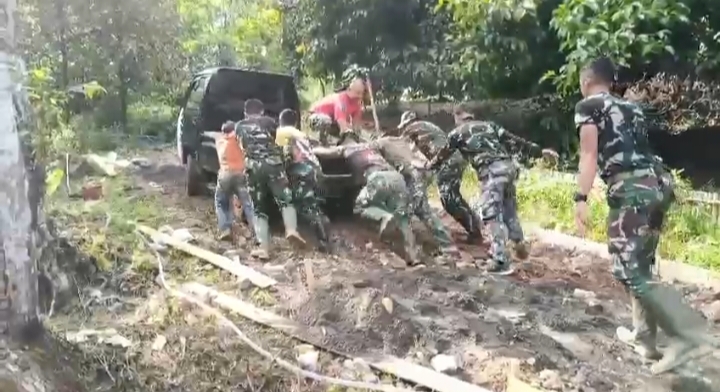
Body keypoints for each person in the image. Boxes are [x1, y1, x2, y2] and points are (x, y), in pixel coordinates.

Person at [574, 57, 714, 375]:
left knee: (627, 269)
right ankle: (645, 340)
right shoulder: (631, 107)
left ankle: (688, 336)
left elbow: (589, 153)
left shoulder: (588, 106)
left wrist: (580, 197)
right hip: (659, 185)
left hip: (633, 190)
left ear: (586, 81)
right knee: (641, 264)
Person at [427, 103, 530, 275]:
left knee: (490, 213)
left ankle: (500, 260)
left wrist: (427, 165)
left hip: (491, 171)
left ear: (458, 116)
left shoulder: (457, 133)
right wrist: (539, 151)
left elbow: (441, 157)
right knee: (508, 208)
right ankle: (518, 242)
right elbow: (515, 141)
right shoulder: (490, 125)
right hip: (508, 167)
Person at [312, 131, 419, 265]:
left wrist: (309, 147)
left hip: (377, 178)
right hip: (397, 178)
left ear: (343, 141)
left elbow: (323, 152)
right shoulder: (371, 145)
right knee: (403, 219)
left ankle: (385, 217)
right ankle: (414, 258)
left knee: (359, 207)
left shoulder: (346, 148)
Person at [235, 99, 305, 260]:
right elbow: (277, 141)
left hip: (253, 168)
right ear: (262, 112)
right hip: (274, 165)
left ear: (245, 113)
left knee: (259, 210)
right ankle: (291, 229)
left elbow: (242, 145)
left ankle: (264, 248)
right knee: (285, 200)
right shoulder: (269, 122)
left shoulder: (239, 126)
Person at [399, 111, 483, 243]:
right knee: (453, 197)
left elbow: (399, 144)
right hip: (454, 159)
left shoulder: (415, 126)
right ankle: (474, 226)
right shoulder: (426, 128)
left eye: (404, 126)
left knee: (448, 199)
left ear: (409, 122)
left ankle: (475, 231)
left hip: (447, 161)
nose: (404, 129)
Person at [373, 133, 458, 256]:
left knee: (423, 212)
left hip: (412, 176)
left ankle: (447, 246)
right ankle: (434, 245)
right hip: (419, 173)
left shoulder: (379, 143)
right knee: (418, 210)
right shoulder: (400, 140)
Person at [276, 108, 332, 252]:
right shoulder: (299, 133)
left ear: (280, 121)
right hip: (316, 170)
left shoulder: (282, 132)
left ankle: (324, 241)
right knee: (313, 202)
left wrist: (282, 174)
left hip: (302, 170)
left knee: (306, 206)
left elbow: (286, 154)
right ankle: (324, 228)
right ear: (295, 122)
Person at [213, 121, 255, 240]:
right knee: (248, 204)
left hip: (224, 175)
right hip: (240, 174)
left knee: (221, 202)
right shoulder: (239, 140)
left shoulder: (219, 141)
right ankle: (257, 231)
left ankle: (225, 229)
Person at [308, 66, 366, 146]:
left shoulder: (357, 103)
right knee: (326, 121)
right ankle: (321, 143)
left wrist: (358, 137)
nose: (359, 96)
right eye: (357, 93)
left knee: (351, 130)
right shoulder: (341, 100)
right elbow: (343, 126)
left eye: (361, 93)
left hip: (333, 120)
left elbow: (356, 125)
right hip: (316, 117)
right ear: (349, 90)